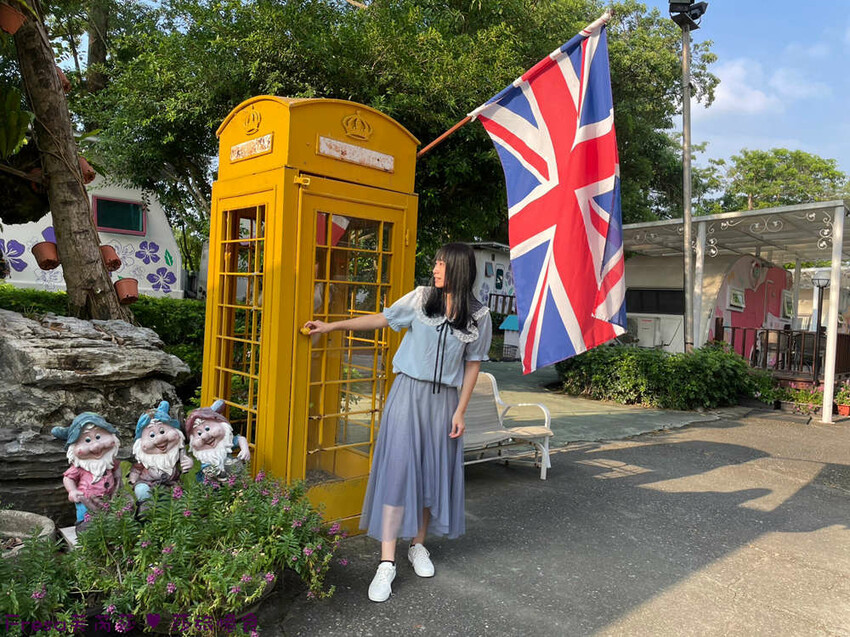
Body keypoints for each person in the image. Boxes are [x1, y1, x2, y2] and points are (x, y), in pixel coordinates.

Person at [304, 242, 492, 603]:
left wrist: (460, 410)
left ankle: (417, 545)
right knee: (398, 473)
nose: (435, 269)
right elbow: (382, 319)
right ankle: (386, 563)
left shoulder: (479, 317)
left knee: (430, 476)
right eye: (435, 263)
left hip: (444, 403)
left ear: (458, 268)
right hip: (407, 395)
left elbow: (473, 365)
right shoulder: (422, 298)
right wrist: (332, 326)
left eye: (441, 264)